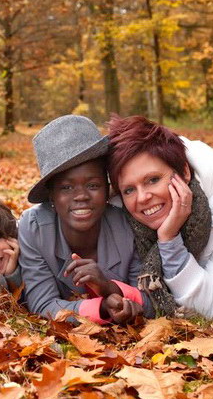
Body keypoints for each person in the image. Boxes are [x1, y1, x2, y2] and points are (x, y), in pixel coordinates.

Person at [106, 115, 213, 320]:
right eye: (128, 190)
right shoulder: (119, 214)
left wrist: (169, 240)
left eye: (153, 180)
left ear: (185, 172)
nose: (143, 198)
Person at [19, 115, 153, 324]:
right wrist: (102, 308)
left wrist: (108, 286)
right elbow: (43, 304)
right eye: (66, 187)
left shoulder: (127, 225)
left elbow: (150, 299)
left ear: (107, 190)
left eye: (93, 185)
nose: (81, 196)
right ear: (51, 195)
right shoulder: (34, 228)